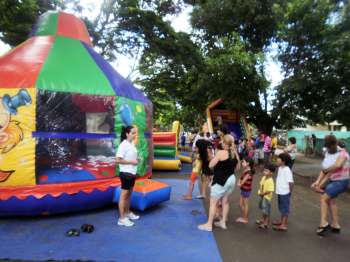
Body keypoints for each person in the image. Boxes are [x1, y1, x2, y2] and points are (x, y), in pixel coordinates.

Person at [198, 135, 239, 231]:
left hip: (221, 180)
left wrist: (214, 156)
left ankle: (208, 225)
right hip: (231, 179)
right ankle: (223, 222)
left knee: (213, 202)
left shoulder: (221, 152)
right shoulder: (234, 153)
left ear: (224, 142)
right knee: (225, 201)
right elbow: (237, 168)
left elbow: (211, 165)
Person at [311, 135, 349, 236]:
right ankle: (335, 225)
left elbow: (337, 166)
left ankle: (323, 224)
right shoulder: (328, 153)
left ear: (334, 144)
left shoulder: (343, 153)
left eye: (329, 146)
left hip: (342, 181)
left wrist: (321, 181)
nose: (327, 149)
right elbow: (325, 169)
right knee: (331, 201)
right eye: (327, 147)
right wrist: (317, 182)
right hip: (333, 180)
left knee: (324, 198)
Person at [116, 126, 140, 227]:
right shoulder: (123, 145)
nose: (134, 135)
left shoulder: (131, 144)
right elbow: (118, 160)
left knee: (129, 195)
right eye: (132, 133)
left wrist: (137, 159)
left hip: (132, 173)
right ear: (127, 134)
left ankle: (127, 213)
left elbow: (131, 157)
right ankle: (121, 219)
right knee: (123, 196)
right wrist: (131, 161)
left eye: (135, 133)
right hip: (125, 173)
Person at [273, 153, 294, 232]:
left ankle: (284, 225)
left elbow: (291, 183)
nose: (277, 159)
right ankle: (281, 222)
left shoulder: (287, 170)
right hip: (280, 192)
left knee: (285, 209)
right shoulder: (280, 168)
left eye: (279, 158)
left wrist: (289, 193)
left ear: (283, 161)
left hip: (285, 193)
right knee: (281, 208)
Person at [256, 164, 276, 229]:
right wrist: (260, 192)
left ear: (271, 173)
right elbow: (261, 185)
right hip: (262, 196)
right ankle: (263, 220)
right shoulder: (264, 177)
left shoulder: (270, 181)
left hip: (267, 198)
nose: (264, 172)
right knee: (263, 209)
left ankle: (266, 223)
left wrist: (263, 194)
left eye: (266, 171)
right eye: (264, 170)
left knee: (266, 210)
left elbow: (270, 190)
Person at [236, 156, 255, 224]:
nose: (242, 163)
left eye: (243, 162)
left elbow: (242, 182)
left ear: (248, 163)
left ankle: (245, 218)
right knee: (241, 204)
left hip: (246, 190)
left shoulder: (248, 172)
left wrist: (239, 183)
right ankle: (244, 216)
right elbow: (240, 179)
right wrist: (239, 182)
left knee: (245, 204)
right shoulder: (246, 170)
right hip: (243, 189)